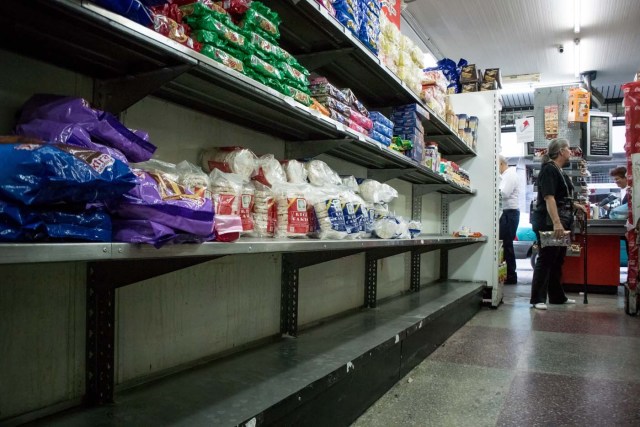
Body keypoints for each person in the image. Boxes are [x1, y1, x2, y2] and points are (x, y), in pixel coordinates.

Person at [530, 138, 586, 310]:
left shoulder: (559, 170)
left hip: (562, 218)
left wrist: (576, 205)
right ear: (561, 151)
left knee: (557, 259)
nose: (571, 152)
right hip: (549, 221)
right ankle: (537, 299)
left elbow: (561, 197)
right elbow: (549, 197)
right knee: (546, 258)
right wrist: (556, 223)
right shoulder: (548, 170)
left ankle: (556, 296)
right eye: (569, 149)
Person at [499, 155, 520, 284]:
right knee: (506, 244)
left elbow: (503, 193)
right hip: (508, 213)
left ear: (501, 164)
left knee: (506, 244)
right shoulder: (506, 175)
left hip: (509, 213)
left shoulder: (509, 175)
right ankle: (508, 274)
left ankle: (511, 275)